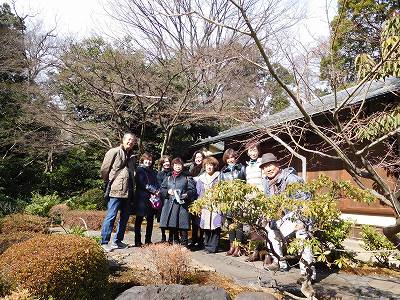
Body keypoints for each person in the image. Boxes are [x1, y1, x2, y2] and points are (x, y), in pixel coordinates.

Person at [259, 153, 316, 281]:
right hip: (284, 216)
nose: (268, 169)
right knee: (272, 234)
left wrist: (304, 223)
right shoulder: (266, 182)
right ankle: (280, 263)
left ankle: (308, 274)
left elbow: (305, 202)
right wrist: (267, 218)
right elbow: (269, 203)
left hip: (299, 214)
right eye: (264, 167)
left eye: (270, 165)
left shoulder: (291, 179)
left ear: (278, 165)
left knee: (302, 240)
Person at [100, 133, 136, 252]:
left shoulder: (132, 157)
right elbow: (104, 169)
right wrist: (109, 181)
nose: (131, 142)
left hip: (128, 191)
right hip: (116, 190)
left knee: (125, 217)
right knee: (111, 216)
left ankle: (117, 241)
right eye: (129, 139)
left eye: (133, 141)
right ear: (124, 140)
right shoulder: (114, 151)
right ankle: (104, 242)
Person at [159, 157, 197, 247]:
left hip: (182, 205)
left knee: (182, 225)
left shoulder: (187, 177)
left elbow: (192, 190)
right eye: (176, 165)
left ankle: (184, 245)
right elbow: (162, 189)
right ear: (173, 166)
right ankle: (173, 243)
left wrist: (186, 195)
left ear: (182, 166)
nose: (178, 167)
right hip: (170, 204)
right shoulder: (168, 177)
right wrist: (167, 192)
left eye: (179, 165)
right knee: (172, 224)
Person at [219, 148, 246, 256]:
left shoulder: (242, 169)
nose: (230, 160)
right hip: (228, 201)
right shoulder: (223, 172)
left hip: (239, 200)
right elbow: (220, 188)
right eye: (228, 158)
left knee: (239, 224)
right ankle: (232, 246)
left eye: (232, 157)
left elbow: (246, 184)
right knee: (230, 225)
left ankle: (238, 247)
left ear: (236, 158)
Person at [133, 152, 159, 246]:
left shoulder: (152, 171)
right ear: (143, 160)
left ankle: (148, 240)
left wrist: (156, 190)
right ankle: (137, 240)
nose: (148, 161)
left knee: (150, 219)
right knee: (139, 219)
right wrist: (154, 190)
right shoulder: (139, 170)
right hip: (141, 198)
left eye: (150, 160)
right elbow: (141, 183)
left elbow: (156, 182)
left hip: (151, 199)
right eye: (146, 160)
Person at [197, 156, 222, 253]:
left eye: (211, 165)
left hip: (216, 203)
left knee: (215, 225)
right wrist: (199, 205)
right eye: (207, 165)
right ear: (204, 166)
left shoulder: (219, 176)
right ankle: (207, 246)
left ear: (214, 166)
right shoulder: (201, 178)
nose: (209, 167)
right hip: (205, 204)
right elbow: (199, 192)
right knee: (206, 225)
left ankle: (214, 247)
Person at [188, 150, 205, 250]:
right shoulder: (191, 168)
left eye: (200, 157)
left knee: (201, 219)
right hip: (192, 197)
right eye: (196, 157)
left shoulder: (205, 168)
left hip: (201, 197)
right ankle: (194, 239)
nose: (198, 158)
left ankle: (201, 240)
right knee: (194, 220)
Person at [157, 155, 172, 243]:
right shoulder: (159, 174)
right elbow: (159, 186)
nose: (167, 163)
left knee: (171, 217)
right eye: (165, 162)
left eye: (168, 161)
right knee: (162, 218)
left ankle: (171, 237)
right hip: (162, 198)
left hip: (172, 198)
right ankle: (163, 236)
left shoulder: (173, 172)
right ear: (162, 163)